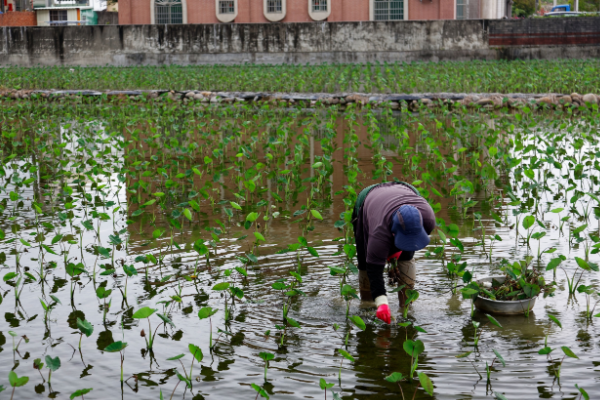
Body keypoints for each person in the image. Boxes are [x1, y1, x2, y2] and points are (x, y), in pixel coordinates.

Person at [352, 182, 435, 324]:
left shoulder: (427, 219)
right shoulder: (380, 231)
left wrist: (397, 254)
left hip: (407, 191)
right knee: (365, 262)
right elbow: (374, 270)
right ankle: (367, 307)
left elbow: (410, 241)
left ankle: (406, 308)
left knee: (407, 256)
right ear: (392, 232)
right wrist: (382, 303)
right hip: (368, 200)